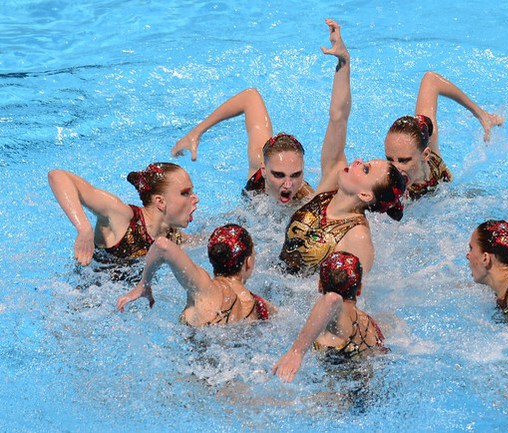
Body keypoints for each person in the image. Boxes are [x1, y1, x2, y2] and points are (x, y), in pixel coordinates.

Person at [279, 19, 406, 276]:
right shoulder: (329, 186)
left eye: (366, 169)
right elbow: (338, 117)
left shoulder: (358, 238)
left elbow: (350, 294)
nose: (358, 161)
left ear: (366, 195)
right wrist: (344, 62)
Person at [172, 87, 313, 204]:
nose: (288, 184)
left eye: (296, 175)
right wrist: (196, 133)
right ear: (264, 170)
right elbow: (250, 97)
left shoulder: (308, 201)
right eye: (278, 175)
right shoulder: (258, 161)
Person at [117, 224, 275, 326]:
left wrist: (143, 284)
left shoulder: (208, 290)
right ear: (249, 262)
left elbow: (162, 245)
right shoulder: (262, 307)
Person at [48, 163, 198, 266]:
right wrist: (84, 228)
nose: (195, 199)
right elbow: (57, 176)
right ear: (160, 201)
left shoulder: (172, 238)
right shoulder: (121, 217)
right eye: (185, 193)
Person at [385, 71, 504, 200]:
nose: (395, 169)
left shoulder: (429, 141)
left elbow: (431, 79)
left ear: (426, 154)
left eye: (404, 160)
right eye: (389, 159)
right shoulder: (388, 191)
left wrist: (481, 115)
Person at [273, 251, 386, 383]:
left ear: (320, 286)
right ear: (360, 289)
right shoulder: (369, 322)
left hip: (340, 393)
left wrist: (296, 351)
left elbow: (332, 299)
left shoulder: (341, 319)